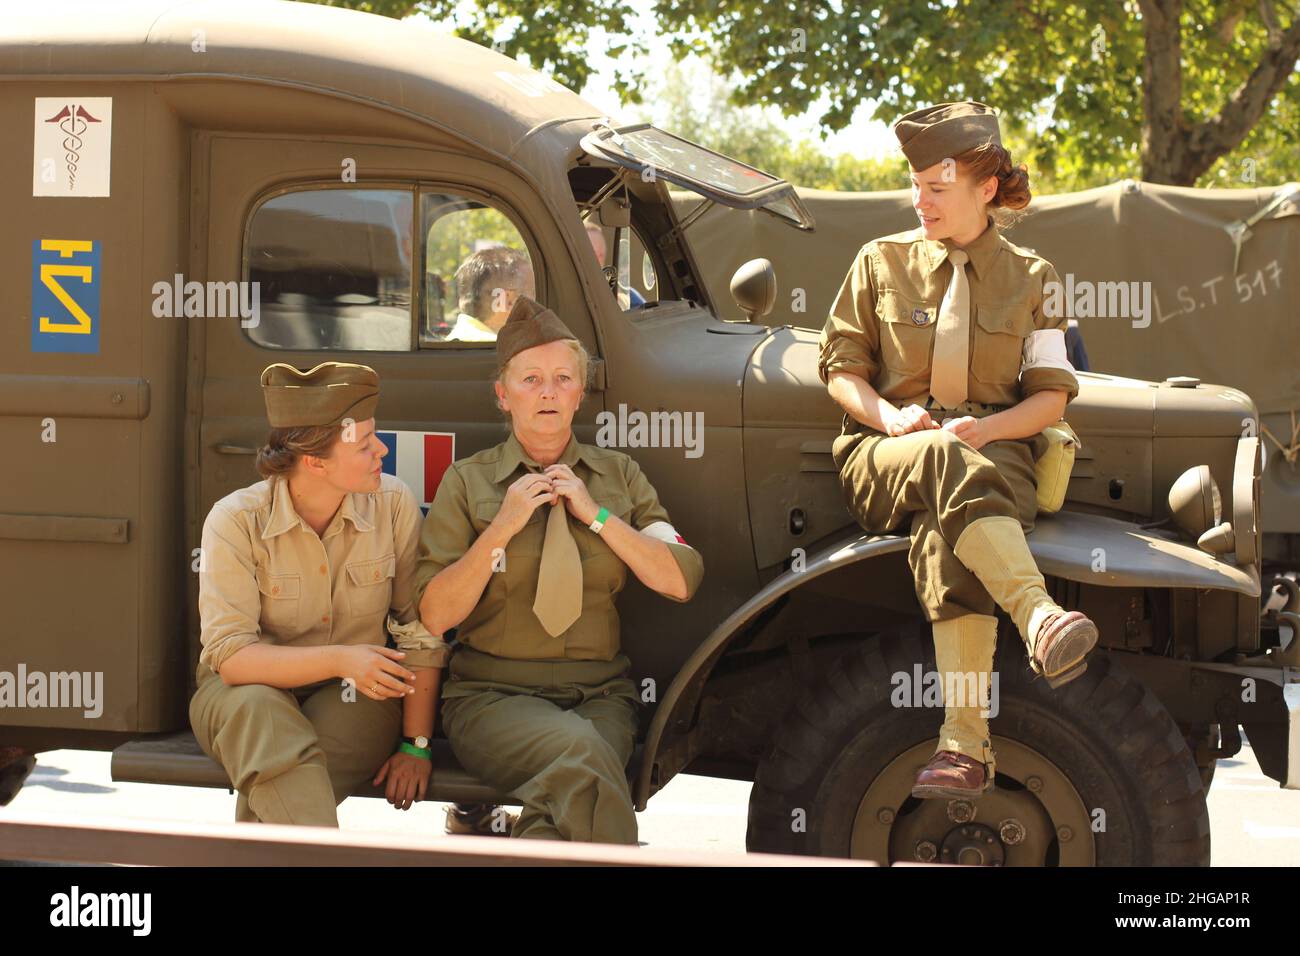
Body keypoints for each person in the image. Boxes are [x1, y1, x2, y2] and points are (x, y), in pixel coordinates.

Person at [817, 101, 1099, 800]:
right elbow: (841, 372)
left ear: (988, 191)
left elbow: (1050, 399)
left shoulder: (1035, 277)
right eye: (915, 187)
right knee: (943, 459)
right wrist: (890, 417)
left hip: (994, 452)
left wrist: (987, 430)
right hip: (887, 452)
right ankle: (1039, 618)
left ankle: (962, 753)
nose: (921, 202)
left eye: (936, 190)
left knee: (949, 540)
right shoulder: (879, 261)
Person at [416, 296, 704, 843]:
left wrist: (597, 516)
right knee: (582, 758)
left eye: (561, 378)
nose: (547, 391)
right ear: (503, 395)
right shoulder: (468, 482)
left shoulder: (618, 476)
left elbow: (679, 580)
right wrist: (502, 525)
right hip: (490, 700)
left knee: (565, 799)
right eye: (530, 379)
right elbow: (433, 614)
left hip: (598, 700)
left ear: (579, 392)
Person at [190, 362, 450, 825]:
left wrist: (417, 743)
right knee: (260, 716)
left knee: (284, 781)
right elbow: (230, 657)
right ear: (315, 462)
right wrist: (341, 658)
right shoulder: (235, 520)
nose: (381, 450)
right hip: (247, 689)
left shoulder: (393, 505)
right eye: (365, 443)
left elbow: (418, 631)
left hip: (358, 689)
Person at [445, 247, 534, 341]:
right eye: (532, 291)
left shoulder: (458, 337)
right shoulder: (501, 348)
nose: (535, 302)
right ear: (506, 300)